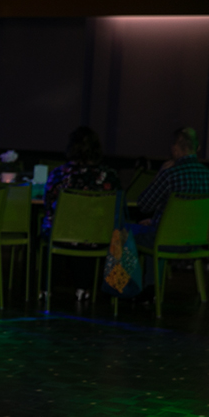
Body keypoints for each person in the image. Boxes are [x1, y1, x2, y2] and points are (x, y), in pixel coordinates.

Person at [42, 126, 120, 300]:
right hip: (98, 237)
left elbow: (48, 205)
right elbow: (116, 208)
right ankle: (83, 287)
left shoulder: (59, 174)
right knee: (87, 231)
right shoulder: (110, 176)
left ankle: (46, 287)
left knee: (52, 228)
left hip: (62, 234)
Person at [132, 127, 209, 298]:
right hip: (198, 240)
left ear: (175, 149)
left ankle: (136, 289)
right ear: (197, 148)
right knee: (155, 232)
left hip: (166, 240)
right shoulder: (207, 175)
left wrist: (158, 175)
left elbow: (143, 204)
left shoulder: (169, 175)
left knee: (127, 235)